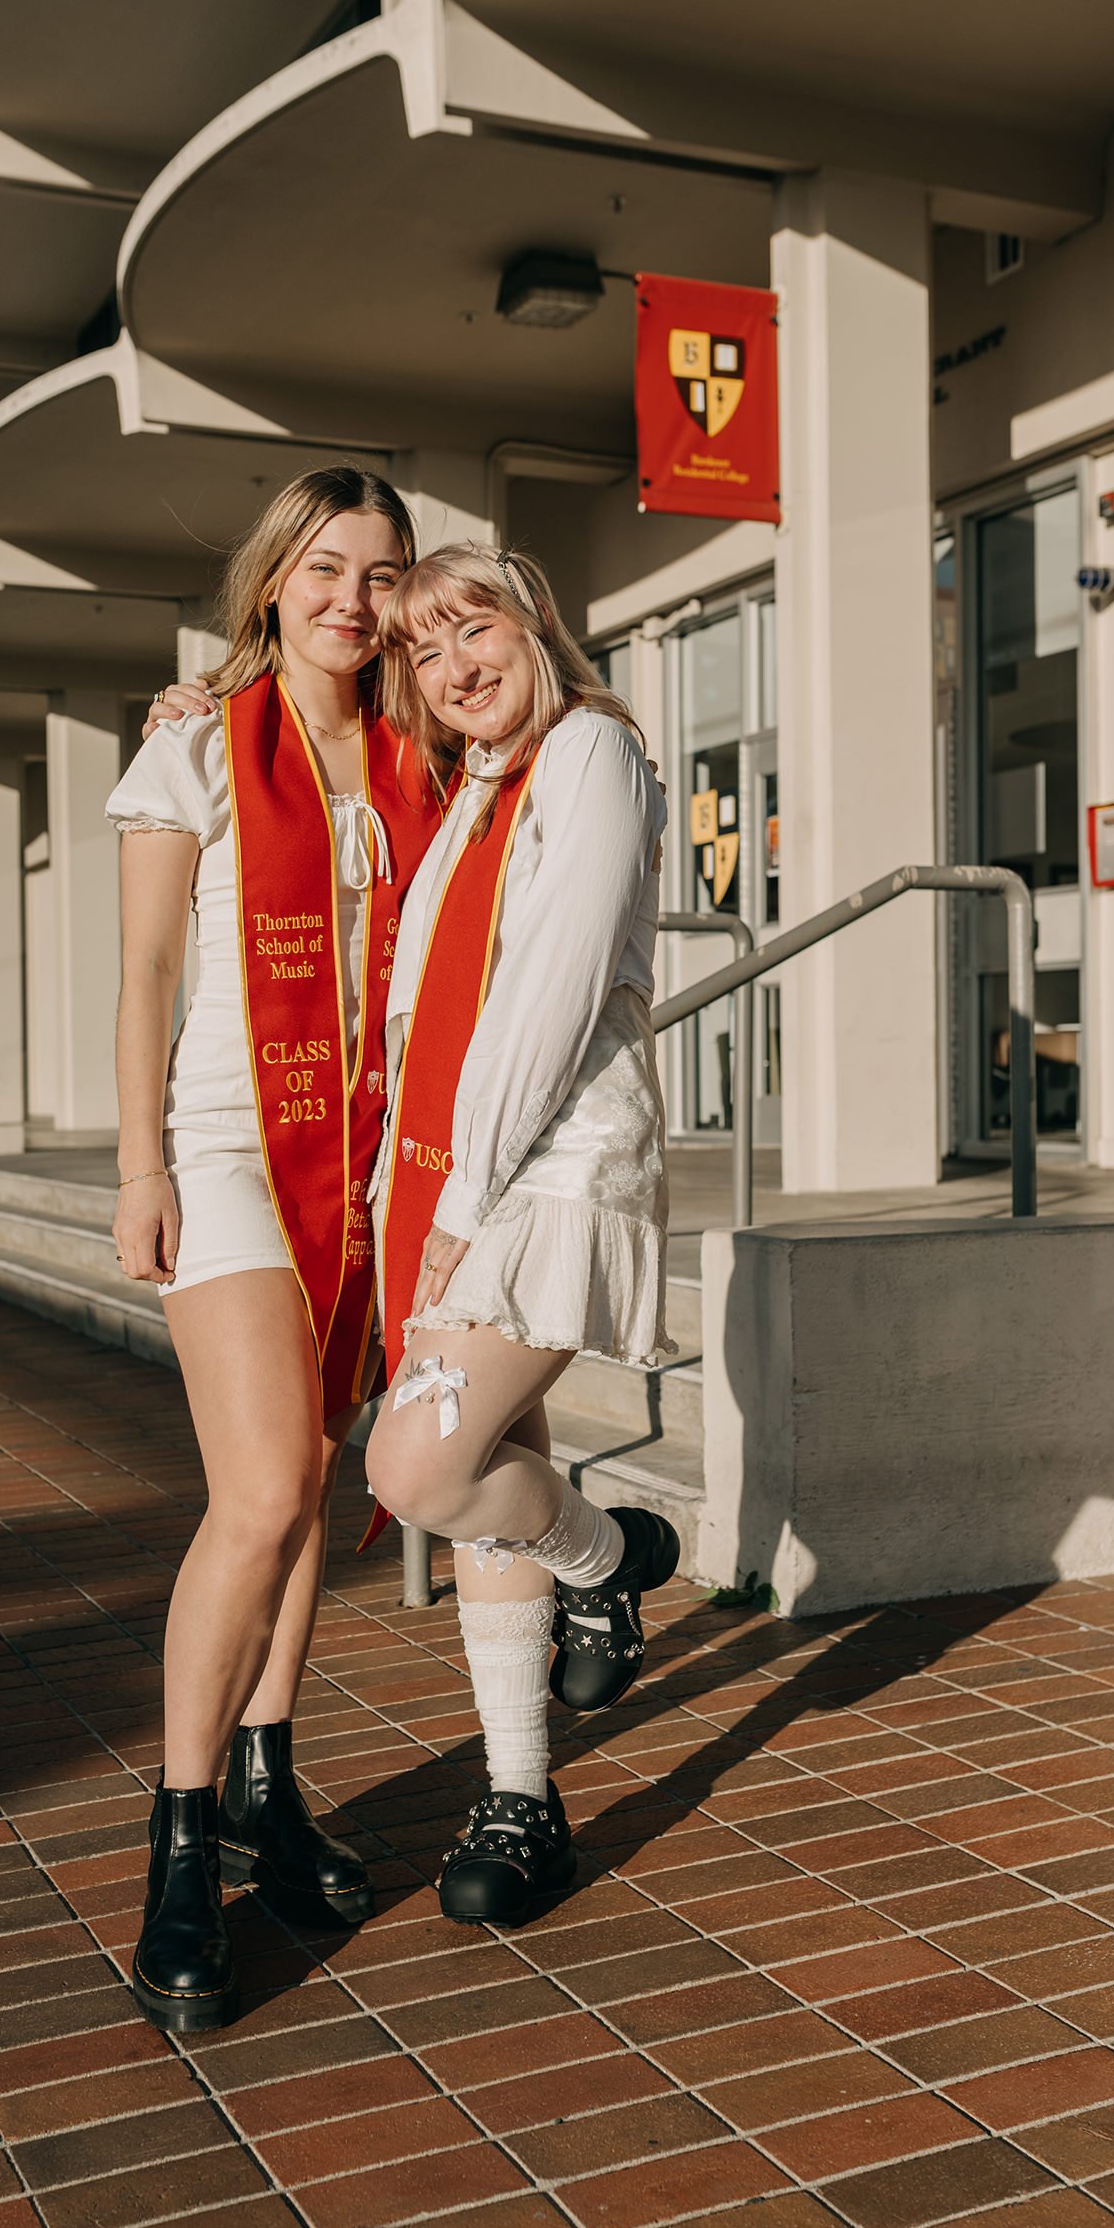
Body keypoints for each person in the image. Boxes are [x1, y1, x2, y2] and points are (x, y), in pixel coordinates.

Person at [105, 466, 443, 2030]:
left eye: (381, 577)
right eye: (326, 569)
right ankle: (181, 1844)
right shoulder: (197, 745)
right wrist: (139, 1168)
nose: (352, 603)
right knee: (259, 1491)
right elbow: (150, 967)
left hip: (367, 1168)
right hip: (234, 1152)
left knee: (309, 1472)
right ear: (273, 579)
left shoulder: (422, 752)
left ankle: (269, 1780)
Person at [363, 541, 679, 1927]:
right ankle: (520, 1792)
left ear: (533, 625)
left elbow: (548, 999)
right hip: (454, 1179)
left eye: (468, 630)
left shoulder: (591, 757)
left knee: (421, 1468)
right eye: (422, 655)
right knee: (489, 1461)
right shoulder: (472, 797)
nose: (450, 670)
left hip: (542, 1177)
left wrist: (452, 1202)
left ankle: (607, 1564)